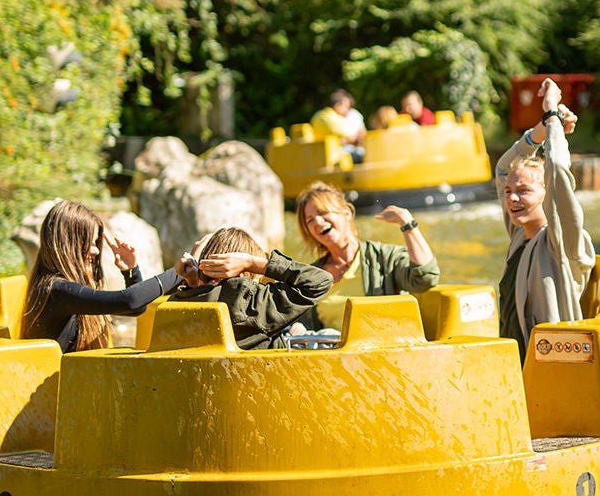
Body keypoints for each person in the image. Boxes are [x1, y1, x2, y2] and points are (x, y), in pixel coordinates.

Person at [494, 77, 596, 359]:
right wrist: (541, 129)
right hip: (518, 366)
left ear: (545, 192)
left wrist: (552, 113)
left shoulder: (561, 239)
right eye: (509, 192)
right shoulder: (518, 235)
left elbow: (558, 171)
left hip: (554, 370)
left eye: (524, 191)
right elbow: (503, 168)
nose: (512, 198)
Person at [20, 199, 189, 352]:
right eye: (88, 243)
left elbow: (137, 309)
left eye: (96, 243)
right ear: (67, 244)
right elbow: (130, 301)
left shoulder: (62, 289)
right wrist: (176, 273)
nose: (95, 251)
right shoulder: (56, 290)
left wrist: (130, 271)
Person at [294, 182, 439, 329]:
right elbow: (304, 322)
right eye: (310, 220)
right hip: (328, 348)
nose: (318, 221)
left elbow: (425, 278)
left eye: (322, 212)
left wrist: (407, 224)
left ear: (347, 213)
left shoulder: (385, 258)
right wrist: (300, 327)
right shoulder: (311, 276)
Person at [169, 226, 334, 350]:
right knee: (330, 336)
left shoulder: (176, 304)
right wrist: (253, 263)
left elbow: (204, 294)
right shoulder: (250, 301)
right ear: (242, 272)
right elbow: (321, 281)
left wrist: (193, 277)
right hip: (264, 388)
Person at [311, 89, 367, 161]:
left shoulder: (318, 115)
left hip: (318, 155)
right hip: (333, 157)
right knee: (362, 154)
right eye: (346, 107)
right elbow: (352, 139)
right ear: (337, 106)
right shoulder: (332, 118)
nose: (348, 110)